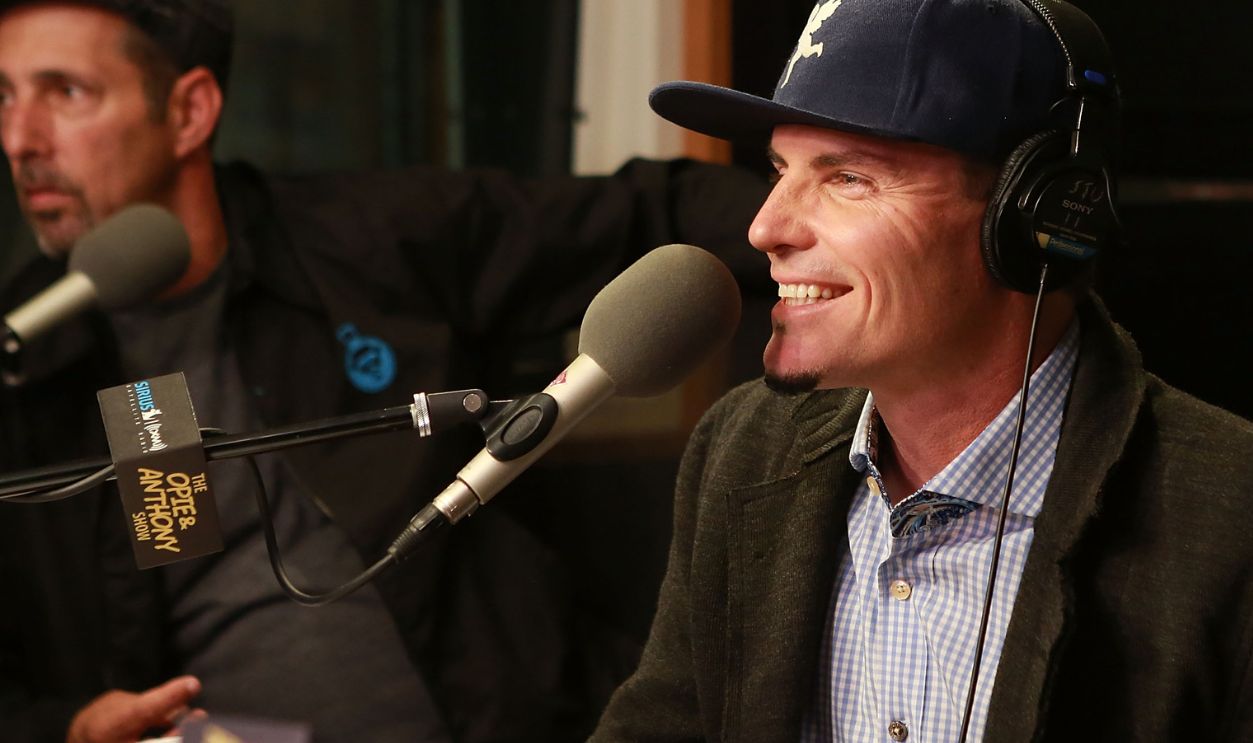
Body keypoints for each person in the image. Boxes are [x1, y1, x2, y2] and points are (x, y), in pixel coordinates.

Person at [0, 1, 769, 742]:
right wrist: (63, 728)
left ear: (190, 111)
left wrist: (836, 240)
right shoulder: (27, 361)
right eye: (3, 96)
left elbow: (652, 214)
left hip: (507, 713)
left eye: (65, 93)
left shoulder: (366, 242)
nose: (19, 137)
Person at [589, 0, 1253, 741]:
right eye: (779, 169)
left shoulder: (1227, 518)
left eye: (847, 178)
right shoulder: (743, 445)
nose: (764, 227)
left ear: (1037, 219)